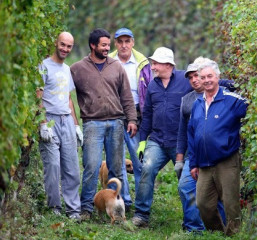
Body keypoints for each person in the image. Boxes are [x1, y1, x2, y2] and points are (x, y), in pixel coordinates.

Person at [70, 28, 137, 220]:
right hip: (93, 124)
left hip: (116, 123)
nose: (108, 48)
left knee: (116, 168)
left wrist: (131, 119)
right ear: (93, 45)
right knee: (91, 167)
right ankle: (87, 209)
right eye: (104, 45)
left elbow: (126, 96)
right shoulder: (78, 68)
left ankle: (116, 207)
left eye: (108, 45)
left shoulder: (116, 66)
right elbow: (65, 92)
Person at [131, 47, 192, 227]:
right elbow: (147, 113)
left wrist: (225, 84)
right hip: (157, 140)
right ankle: (141, 215)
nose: (153, 66)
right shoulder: (152, 85)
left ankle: (191, 220)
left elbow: (204, 85)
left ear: (168, 64)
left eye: (156, 63)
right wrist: (143, 141)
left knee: (186, 180)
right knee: (147, 168)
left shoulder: (185, 80)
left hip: (180, 143)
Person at [188, 60, 248, 235]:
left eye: (210, 76)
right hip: (204, 163)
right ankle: (217, 233)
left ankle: (234, 235)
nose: (206, 80)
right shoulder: (197, 104)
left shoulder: (231, 100)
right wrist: (193, 163)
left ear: (218, 77)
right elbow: (192, 134)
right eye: (203, 77)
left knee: (230, 203)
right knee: (203, 203)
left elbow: (253, 105)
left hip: (227, 160)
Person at [175, 57, 234, 232]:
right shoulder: (186, 100)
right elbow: (182, 131)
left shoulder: (223, 93)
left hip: (218, 155)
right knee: (186, 187)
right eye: (190, 77)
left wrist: (215, 78)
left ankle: (218, 230)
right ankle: (194, 228)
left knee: (217, 194)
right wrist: (179, 160)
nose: (194, 80)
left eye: (197, 75)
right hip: (193, 156)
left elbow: (235, 85)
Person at [37, 32, 82, 220]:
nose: (65, 49)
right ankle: (54, 207)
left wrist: (76, 125)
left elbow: (69, 99)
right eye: (62, 44)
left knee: (72, 166)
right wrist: (42, 123)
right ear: (56, 43)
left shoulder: (67, 69)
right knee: (53, 165)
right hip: (51, 120)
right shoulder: (44, 66)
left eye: (69, 46)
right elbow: (38, 95)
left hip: (67, 121)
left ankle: (73, 210)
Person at [109, 28, 152, 211]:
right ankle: (124, 200)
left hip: (137, 116)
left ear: (133, 42)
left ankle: (142, 203)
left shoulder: (142, 62)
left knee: (139, 161)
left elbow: (150, 90)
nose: (124, 45)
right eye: (120, 42)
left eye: (127, 41)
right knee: (116, 161)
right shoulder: (108, 61)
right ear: (115, 44)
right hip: (114, 115)